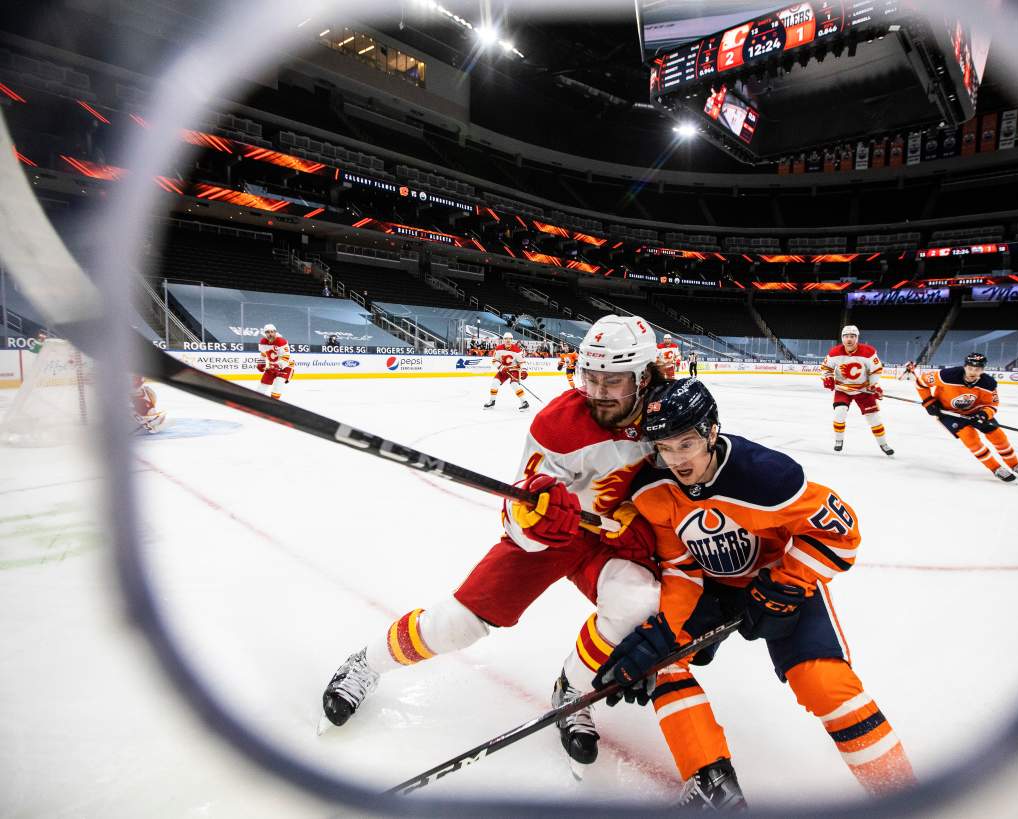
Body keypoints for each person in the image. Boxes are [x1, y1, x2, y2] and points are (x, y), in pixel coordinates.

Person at [321, 315, 668, 775]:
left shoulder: (673, 412)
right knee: (456, 626)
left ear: (645, 377)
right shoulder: (558, 425)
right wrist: (534, 517)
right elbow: (517, 513)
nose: (600, 392)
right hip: (558, 537)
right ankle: (367, 662)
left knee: (640, 601)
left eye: (615, 381)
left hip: (619, 538)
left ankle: (573, 688)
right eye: (592, 378)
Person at [594, 379, 916, 807]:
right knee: (663, 662)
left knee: (823, 682)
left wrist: (786, 585)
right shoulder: (655, 492)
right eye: (664, 448)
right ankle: (712, 784)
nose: (675, 460)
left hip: (777, 577)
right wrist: (667, 629)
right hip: (713, 588)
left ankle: (902, 795)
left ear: (711, 431)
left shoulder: (764, 477)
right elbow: (682, 566)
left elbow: (841, 534)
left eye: (685, 443)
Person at [915, 353, 1018, 482]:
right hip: (949, 413)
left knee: (998, 435)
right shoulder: (946, 375)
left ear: (982, 370)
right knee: (970, 438)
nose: (973, 372)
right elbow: (920, 382)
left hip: (976, 412)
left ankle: (1014, 464)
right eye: (970, 368)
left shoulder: (988, 383)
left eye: (977, 369)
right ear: (965, 367)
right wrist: (928, 402)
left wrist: (983, 414)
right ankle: (996, 468)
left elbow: (992, 405)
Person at [820, 325, 893, 455]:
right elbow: (826, 368)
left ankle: (883, 444)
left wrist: (874, 385)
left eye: (852, 336)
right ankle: (838, 440)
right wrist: (828, 378)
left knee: (874, 418)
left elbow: (876, 370)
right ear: (842, 338)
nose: (849, 339)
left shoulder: (868, 352)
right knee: (839, 413)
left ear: (857, 338)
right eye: (846, 336)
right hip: (842, 389)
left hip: (863, 390)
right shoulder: (834, 353)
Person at [483, 332, 530, 411]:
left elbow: (522, 362)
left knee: (514, 384)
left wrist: (524, 371)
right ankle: (492, 402)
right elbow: (495, 361)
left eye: (510, 339)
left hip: (514, 370)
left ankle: (524, 402)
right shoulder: (498, 348)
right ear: (503, 340)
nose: (508, 341)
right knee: (495, 382)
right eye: (506, 339)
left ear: (512, 340)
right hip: (504, 370)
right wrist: (501, 367)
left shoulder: (517, 350)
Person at [257, 323, 293, 400]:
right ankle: (257, 400)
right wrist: (261, 363)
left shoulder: (281, 341)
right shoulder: (263, 341)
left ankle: (274, 403)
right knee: (262, 385)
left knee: (278, 385)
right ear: (264, 333)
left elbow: (286, 357)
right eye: (268, 332)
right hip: (272, 366)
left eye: (272, 332)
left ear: (275, 332)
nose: (270, 334)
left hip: (286, 367)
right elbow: (263, 354)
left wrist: (277, 365)